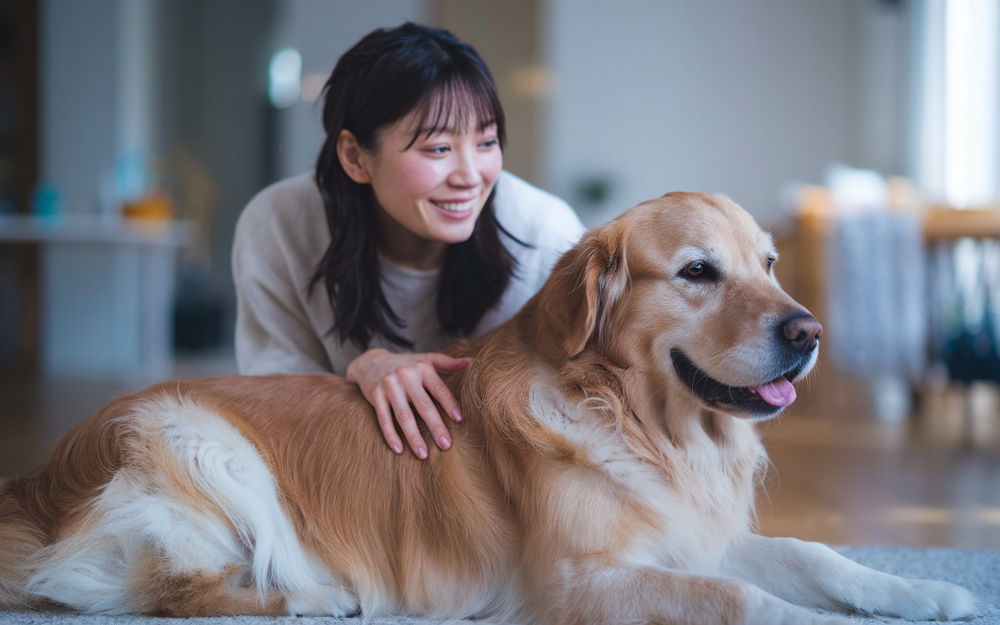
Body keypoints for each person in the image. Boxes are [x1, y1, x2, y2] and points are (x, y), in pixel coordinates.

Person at [232, 22, 584, 460]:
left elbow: (574, 410)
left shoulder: (545, 234)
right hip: (343, 468)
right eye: (437, 149)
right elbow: (272, 406)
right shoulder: (279, 225)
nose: (470, 177)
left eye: (487, 141)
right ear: (355, 157)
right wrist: (362, 372)